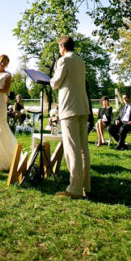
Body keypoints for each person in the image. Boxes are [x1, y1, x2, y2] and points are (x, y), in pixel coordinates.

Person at [50, 35, 91, 198]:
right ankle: (85, 186)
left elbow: (56, 83)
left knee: (71, 148)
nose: (60, 51)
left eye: (60, 48)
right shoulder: (80, 61)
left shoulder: (64, 60)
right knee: (83, 149)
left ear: (63, 47)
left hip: (69, 108)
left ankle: (74, 188)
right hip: (82, 107)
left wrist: (52, 75)